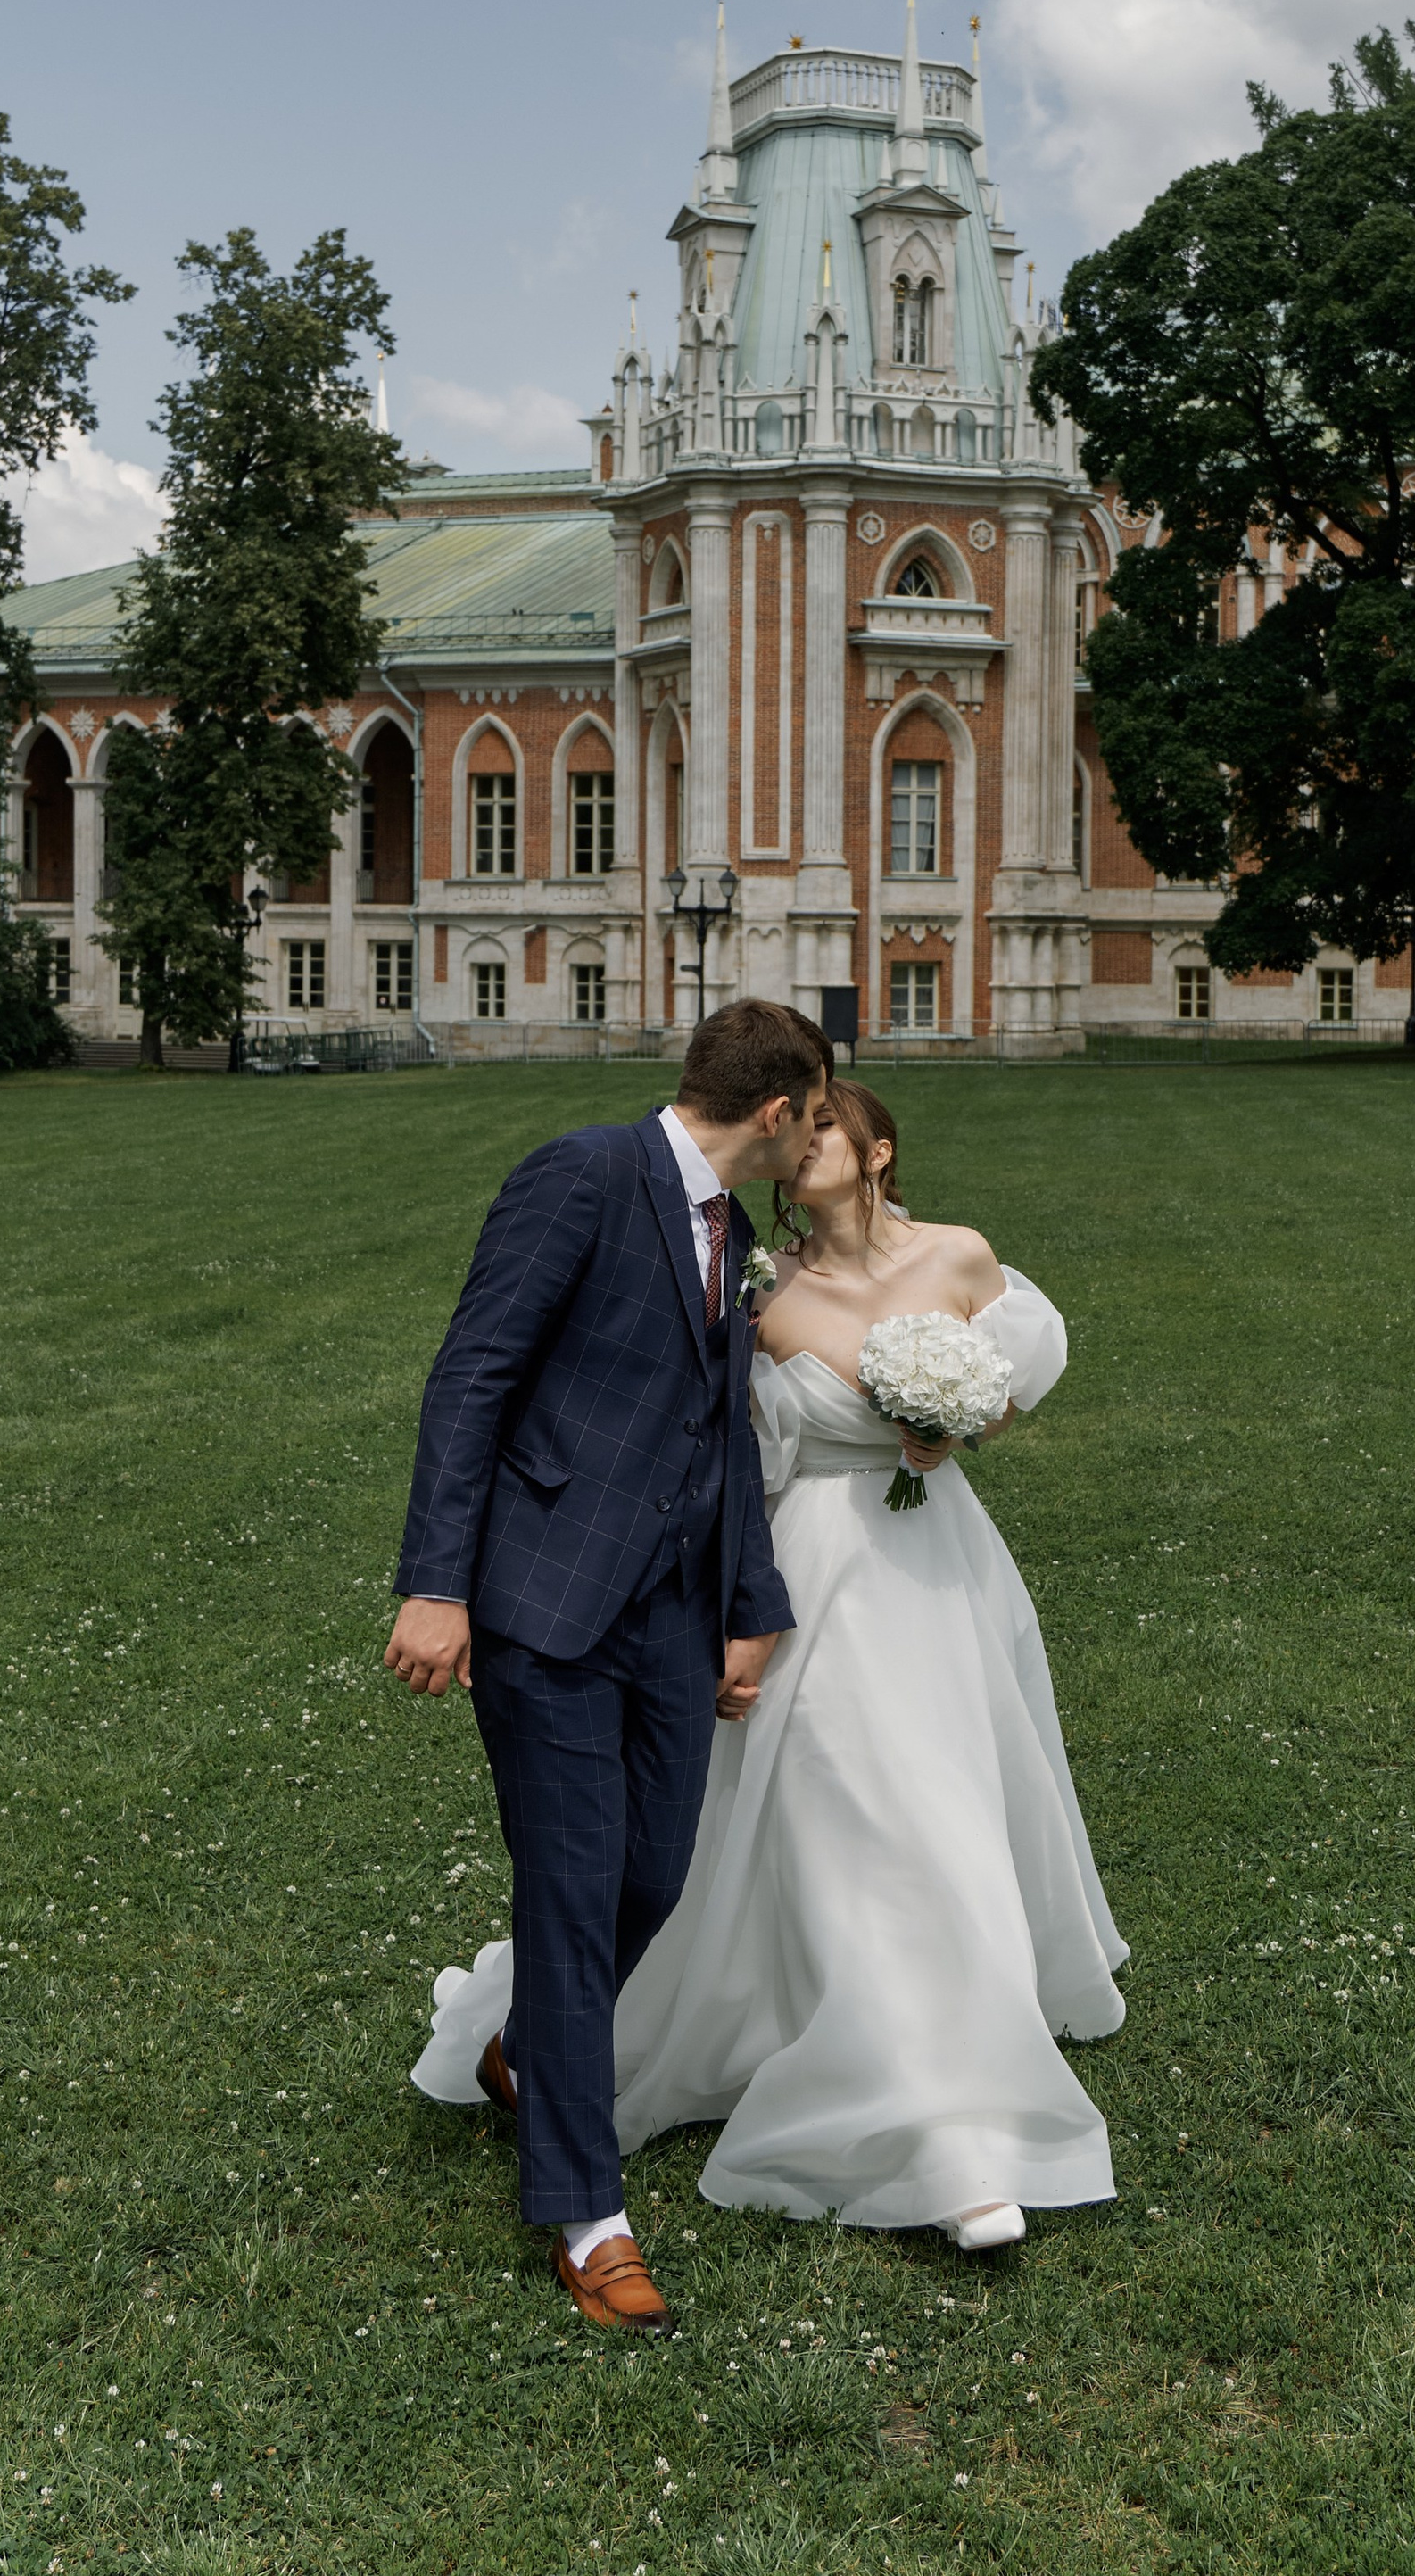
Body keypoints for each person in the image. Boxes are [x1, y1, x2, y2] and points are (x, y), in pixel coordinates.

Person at [415, 1077, 1126, 2254]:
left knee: (942, 1818)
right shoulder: (759, 1282)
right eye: (798, 1132)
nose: (801, 1151)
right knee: (859, 1823)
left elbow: (1015, 1369)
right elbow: (715, 1444)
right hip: (805, 1575)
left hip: (937, 1573)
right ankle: (947, 2142)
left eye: (828, 1132)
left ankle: (946, 2078)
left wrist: (954, 1421)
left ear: (880, 1149)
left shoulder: (958, 1256)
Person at [383, 998, 830, 2334]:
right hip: (546, 1606)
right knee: (574, 1893)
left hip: (673, 1618)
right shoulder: (584, 1174)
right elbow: (473, 1376)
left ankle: (527, 2048)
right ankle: (591, 2214)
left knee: (654, 1874)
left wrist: (749, 1601)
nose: (817, 1134)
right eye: (815, 1112)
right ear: (778, 1110)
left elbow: (723, 1439)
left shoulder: (734, 1235)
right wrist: (435, 1583)